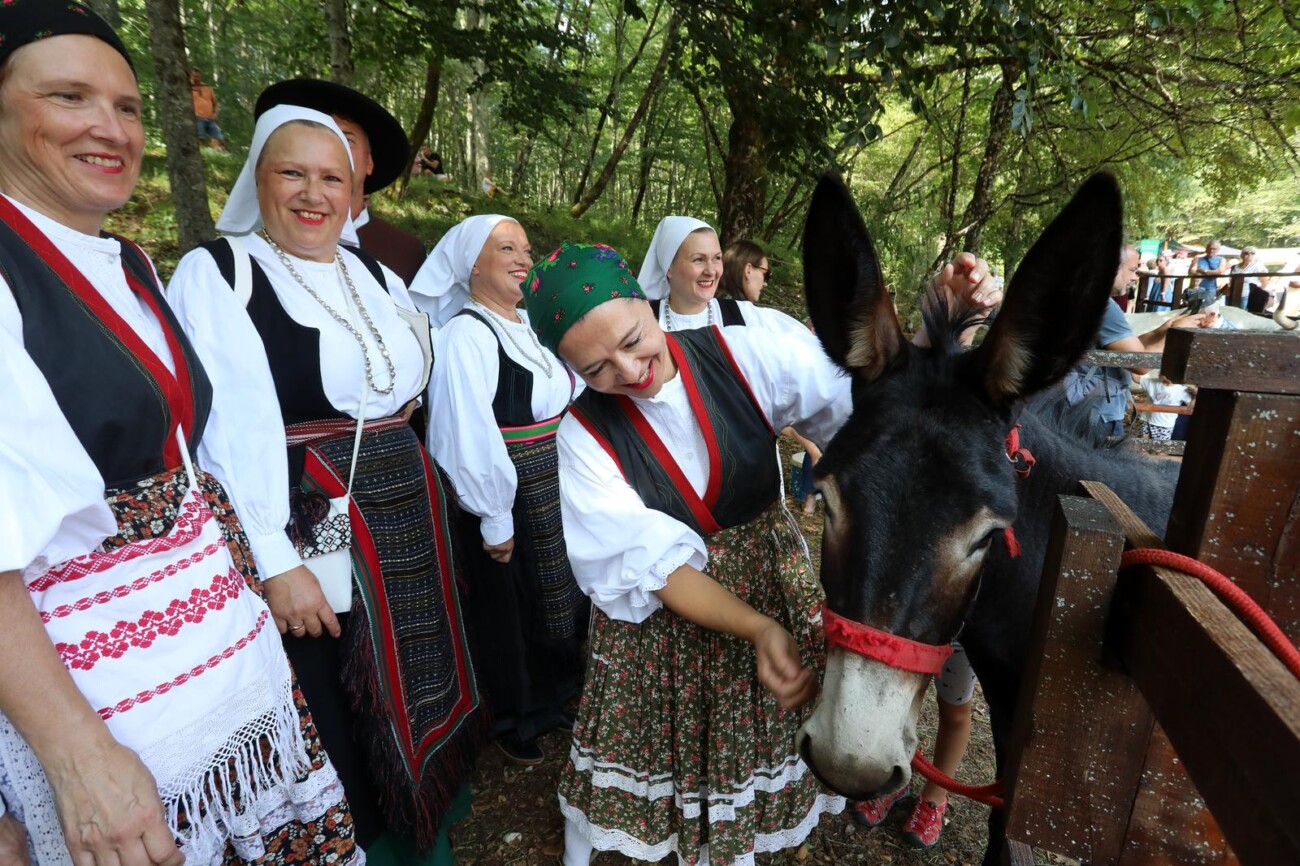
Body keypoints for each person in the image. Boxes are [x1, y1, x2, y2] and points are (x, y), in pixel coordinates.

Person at [0, 6, 357, 865]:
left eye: (126, 107)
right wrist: (80, 760)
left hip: (227, 680)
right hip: (107, 715)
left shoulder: (127, 261)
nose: (109, 128)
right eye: (69, 96)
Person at [525, 240, 1001, 865]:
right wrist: (757, 628)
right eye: (596, 370)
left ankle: (732, 842)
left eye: (633, 338)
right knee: (662, 742)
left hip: (768, 571)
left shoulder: (745, 350)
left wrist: (929, 334)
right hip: (669, 618)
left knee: (753, 734)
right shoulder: (581, 439)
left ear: (646, 301)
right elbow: (660, 570)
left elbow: (874, 412)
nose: (629, 370)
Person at [166, 102, 486, 865]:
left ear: (354, 192)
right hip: (306, 522)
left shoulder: (377, 273)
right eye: (292, 174)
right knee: (336, 694)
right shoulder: (221, 273)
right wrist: (275, 562)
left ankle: (425, 827)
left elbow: (410, 391)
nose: (313, 194)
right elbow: (215, 438)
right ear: (258, 179)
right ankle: (365, 847)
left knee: (421, 674)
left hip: (406, 513)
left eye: (331, 178)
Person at [415, 215, 588, 765]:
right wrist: (493, 515)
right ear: (471, 266)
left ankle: (558, 693)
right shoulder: (468, 332)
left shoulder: (530, 324)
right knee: (509, 602)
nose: (523, 259)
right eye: (506, 248)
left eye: (527, 249)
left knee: (555, 592)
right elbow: (463, 431)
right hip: (506, 488)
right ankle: (517, 715)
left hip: (555, 479)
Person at [255, 79, 426, 286]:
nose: (329, 150)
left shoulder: (405, 251)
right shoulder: (242, 257)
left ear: (369, 161)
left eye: (345, 139)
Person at [1063, 245, 1204, 438]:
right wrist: (1174, 333)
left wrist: (1162, 330)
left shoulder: (1079, 297)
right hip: (1098, 414)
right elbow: (1140, 364)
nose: (1135, 277)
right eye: (1132, 270)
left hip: (1077, 408)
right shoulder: (1102, 305)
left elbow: (1123, 348)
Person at [851, 645, 978, 849]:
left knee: (954, 711)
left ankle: (935, 796)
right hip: (915, 625)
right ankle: (894, 779)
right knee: (897, 697)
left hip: (962, 636)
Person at [638, 216, 806, 335]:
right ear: (669, 267)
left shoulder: (744, 317)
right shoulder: (643, 324)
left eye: (717, 258)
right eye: (698, 260)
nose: (711, 271)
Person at [720, 238, 770, 303]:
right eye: (766, 275)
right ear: (748, 270)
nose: (765, 284)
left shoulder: (708, 301)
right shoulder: (736, 310)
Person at [190, 68, 226, 152]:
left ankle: (220, 155)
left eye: (198, 76)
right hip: (197, 118)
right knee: (200, 138)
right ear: (191, 77)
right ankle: (200, 155)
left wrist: (215, 113)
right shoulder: (188, 89)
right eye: (194, 76)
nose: (196, 78)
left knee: (219, 138)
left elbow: (215, 103)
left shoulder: (207, 88)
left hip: (210, 118)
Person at [1188, 239, 1227, 310]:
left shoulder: (1222, 260)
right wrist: (1212, 272)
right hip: (1196, 287)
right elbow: (1191, 272)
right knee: (1193, 308)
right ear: (1206, 249)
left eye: (1214, 249)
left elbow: (1220, 271)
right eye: (1209, 248)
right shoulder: (1197, 258)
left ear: (1218, 250)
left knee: (1208, 309)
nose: (1211, 250)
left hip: (1211, 288)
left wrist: (1203, 271)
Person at [1231, 247, 1270, 313]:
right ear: (1242, 255)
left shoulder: (1258, 266)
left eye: (1252, 253)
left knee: (1242, 314)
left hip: (1247, 295)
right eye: (1246, 253)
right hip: (1233, 295)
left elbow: (1265, 282)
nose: (1249, 255)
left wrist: (1256, 294)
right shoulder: (1235, 267)